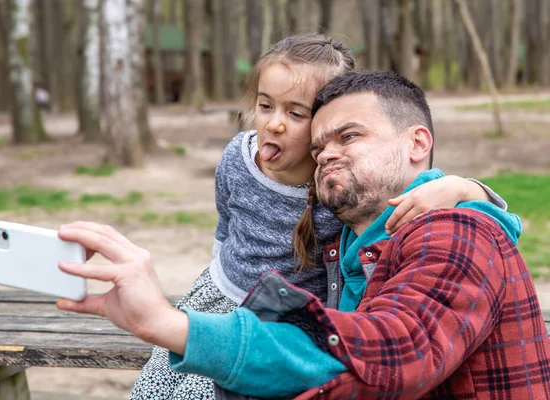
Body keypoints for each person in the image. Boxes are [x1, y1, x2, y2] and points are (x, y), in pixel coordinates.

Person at [56, 70, 550, 399]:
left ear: (418, 142)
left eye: (349, 136)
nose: (327, 154)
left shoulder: (456, 229)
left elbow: (396, 352)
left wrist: (172, 325)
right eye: (317, 148)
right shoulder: (340, 247)